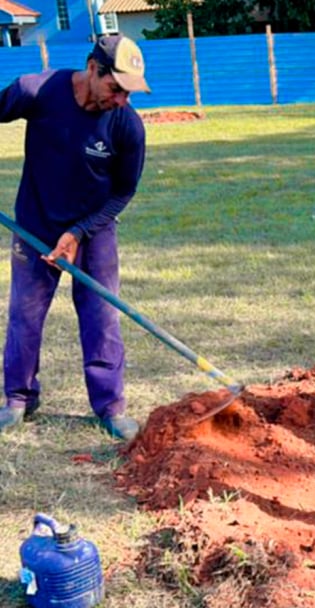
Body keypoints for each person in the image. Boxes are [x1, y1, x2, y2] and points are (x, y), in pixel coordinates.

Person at [0, 34, 150, 441]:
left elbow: (123, 191)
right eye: (115, 88)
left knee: (101, 318)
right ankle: (18, 396)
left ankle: (110, 406)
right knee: (25, 315)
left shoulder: (127, 126)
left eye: (128, 92)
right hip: (34, 225)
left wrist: (79, 232)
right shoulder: (37, 91)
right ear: (91, 68)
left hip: (92, 231)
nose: (121, 100)